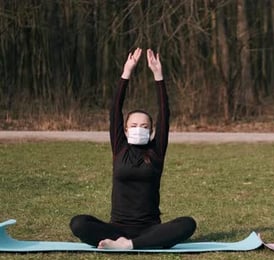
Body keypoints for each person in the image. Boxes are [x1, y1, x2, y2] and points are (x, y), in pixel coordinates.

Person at [69, 48, 196, 249]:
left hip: (150, 228)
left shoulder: (156, 151)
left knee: (188, 224)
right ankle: (131, 243)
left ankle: (128, 245)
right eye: (134, 126)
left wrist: (158, 76)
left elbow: (165, 113)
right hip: (116, 228)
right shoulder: (119, 148)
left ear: (152, 131)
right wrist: (126, 73)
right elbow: (115, 111)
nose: (139, 129)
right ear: (126, 130)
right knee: (78, 223)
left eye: (145, 126)